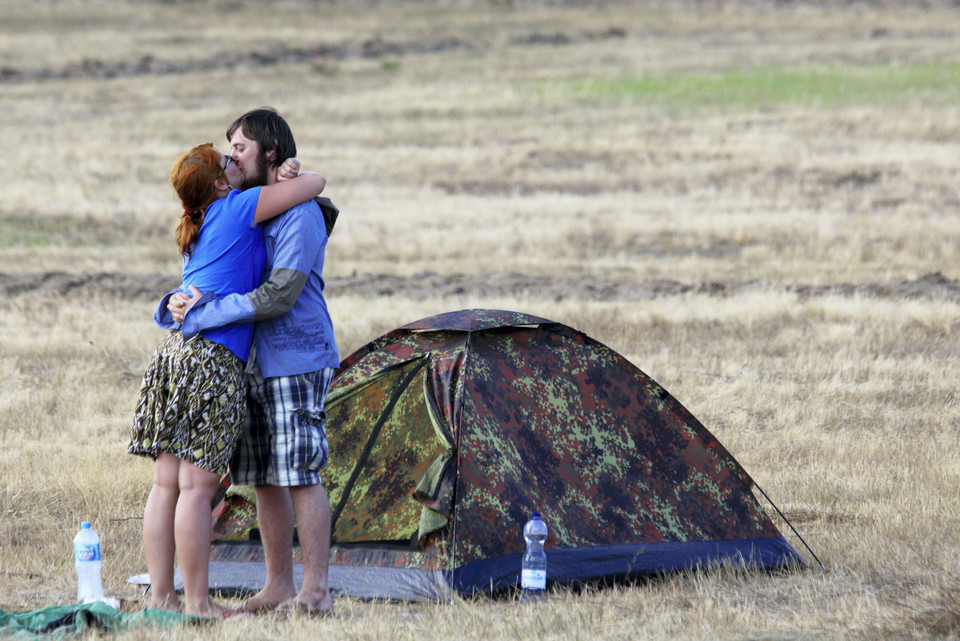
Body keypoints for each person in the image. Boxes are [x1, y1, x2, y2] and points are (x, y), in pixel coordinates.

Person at [128, 142, 326, 619]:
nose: (234, 160)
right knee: (197, 489)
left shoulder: (194, 225)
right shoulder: (237, 207)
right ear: (218, 182)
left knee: (165, 485)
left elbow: (194, 286)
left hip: (174, 355)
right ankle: (197, 604)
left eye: (239, 151)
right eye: (227, 159)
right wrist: (289, 174)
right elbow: (316, 185)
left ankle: (162, 598)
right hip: (213, 360)